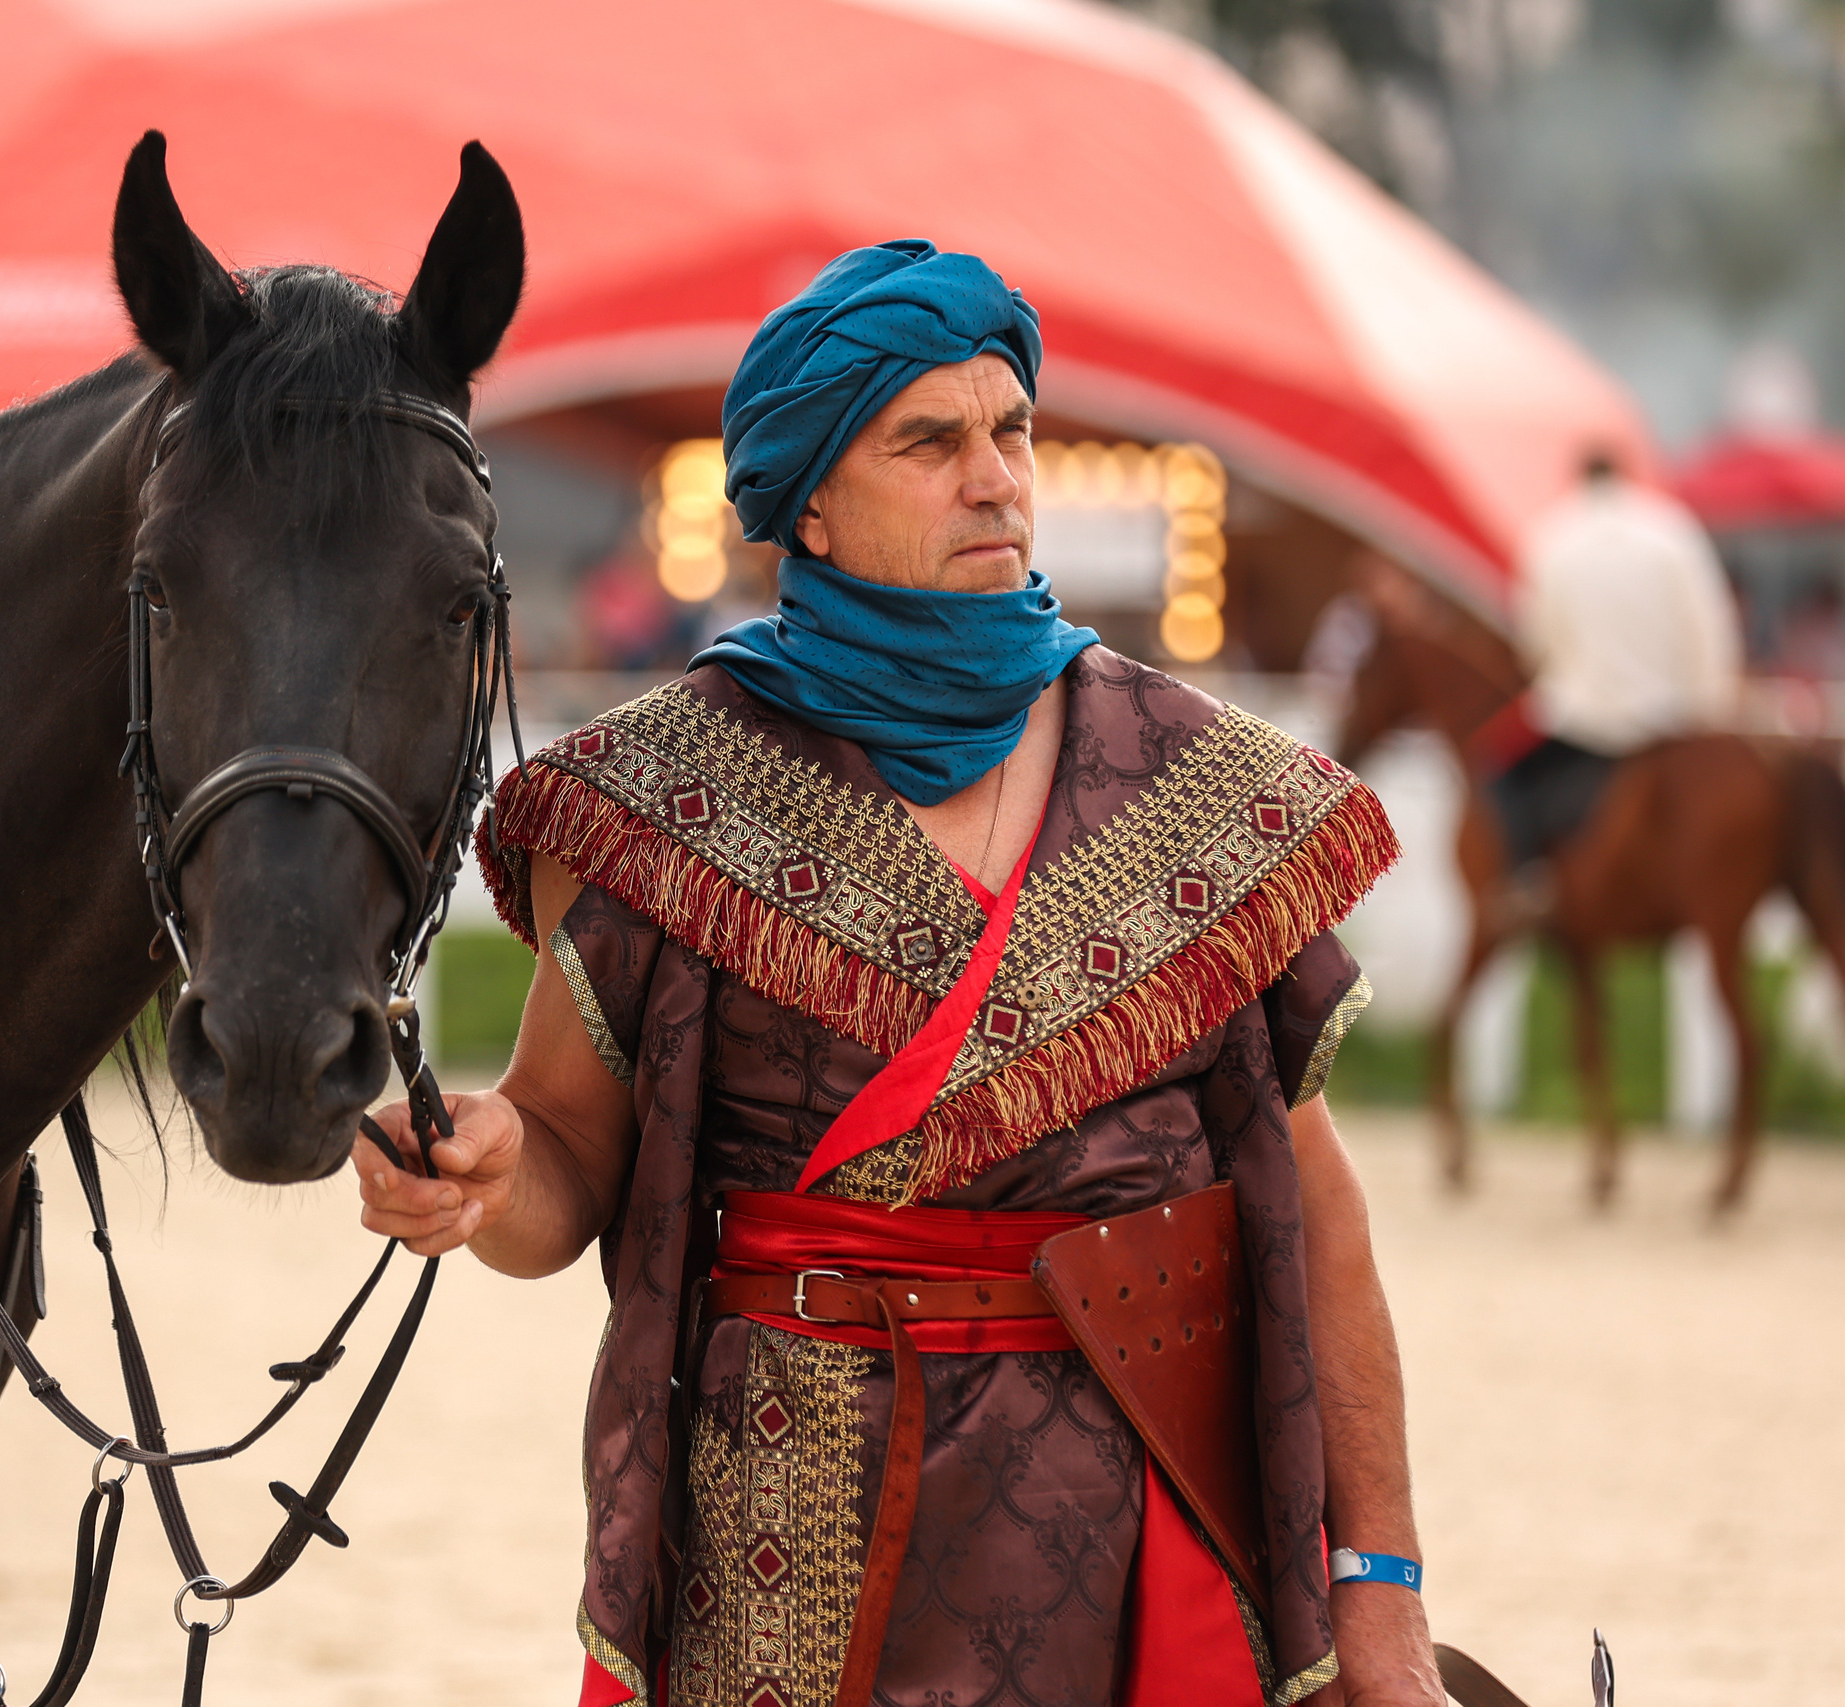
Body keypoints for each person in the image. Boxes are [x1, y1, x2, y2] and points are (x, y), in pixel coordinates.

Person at [358, 241, 1437, 1706]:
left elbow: (1317, 1218)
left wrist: (1381, 1599)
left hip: (1141, 1529)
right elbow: (562, 1164)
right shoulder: (667, 797)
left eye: (1013, 430)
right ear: (809, 498)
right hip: (787, 1540)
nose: (995, 477)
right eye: (929, 442)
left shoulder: (1201, 783)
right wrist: (483, 1172)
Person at [1489, 448, 1744, 865]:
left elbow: (1536, 647)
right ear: (1627, 475)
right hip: (1672, 724)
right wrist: (1709, 713)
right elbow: (1711, 629)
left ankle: (1525, 888)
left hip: (1583, 725)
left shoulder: (1551, 535)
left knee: (1498, 779)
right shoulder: (1673, 528)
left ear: (1578, 479)